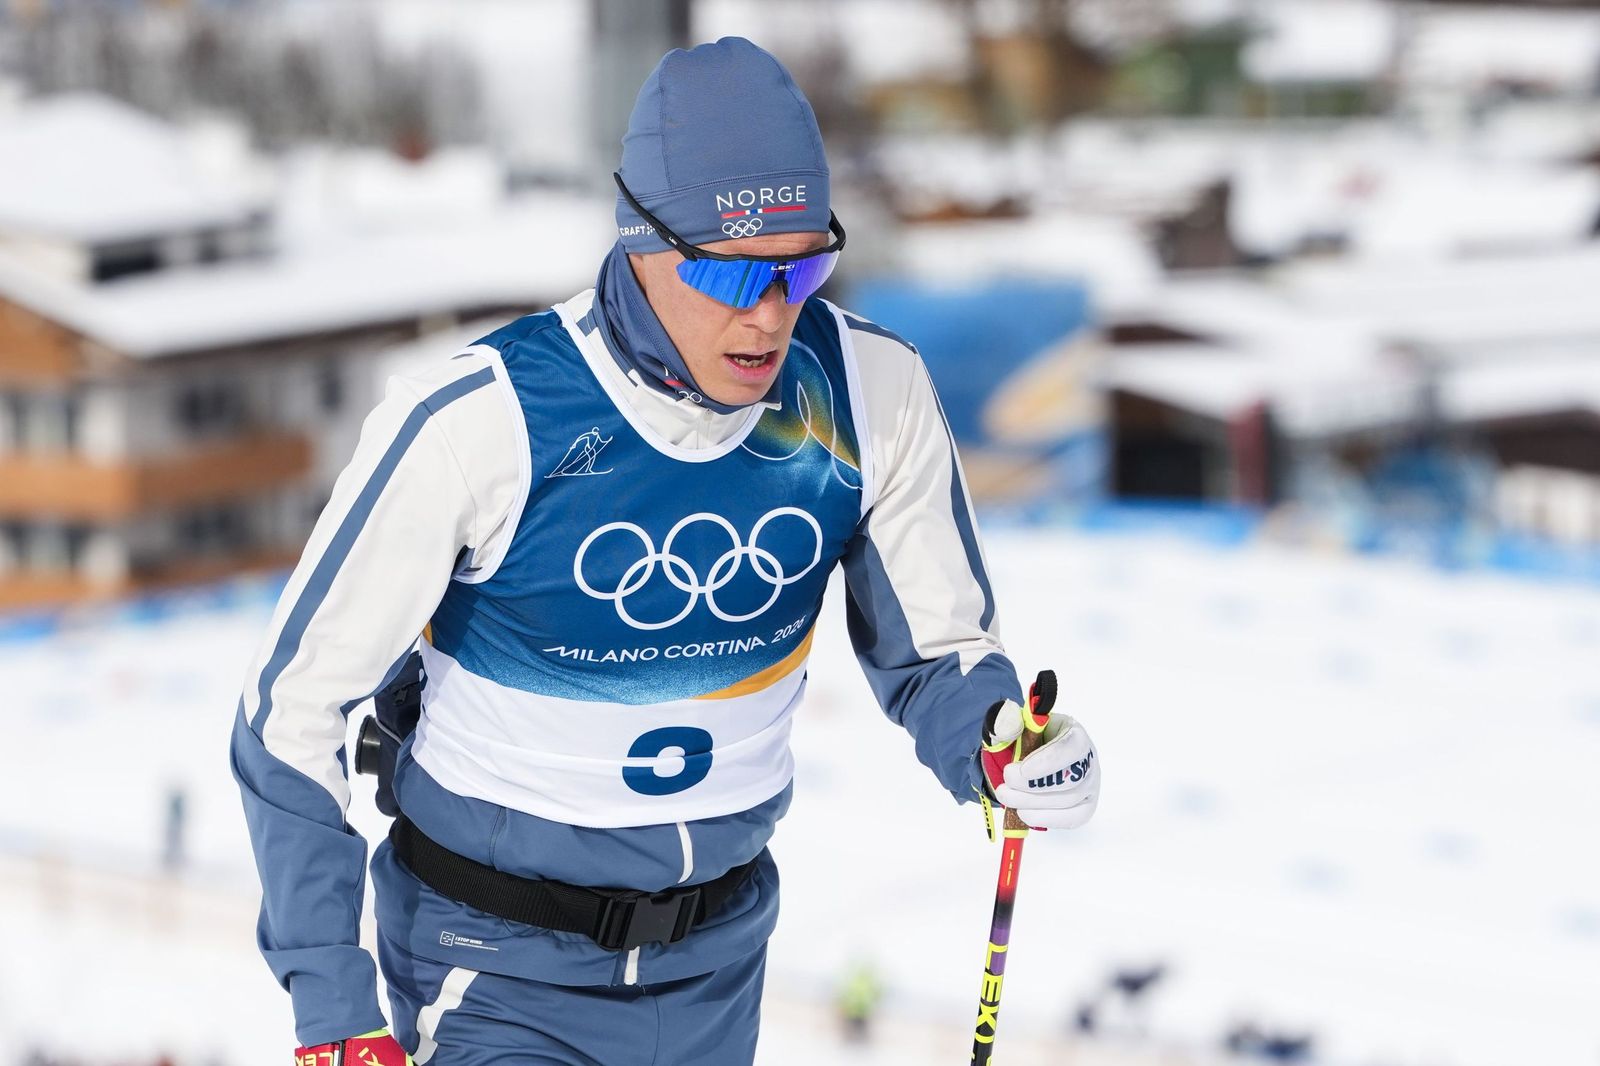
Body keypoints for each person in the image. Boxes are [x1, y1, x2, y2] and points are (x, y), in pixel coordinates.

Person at [232, 37, 1101, 1066]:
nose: (770, 313)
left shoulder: (869, 392)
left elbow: (937, 652)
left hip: (717, 968)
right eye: (732, 273)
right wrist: (334, 1008)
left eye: (800, 267)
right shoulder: (485, 419)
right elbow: (289, 711)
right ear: (641, 242)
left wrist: (999, 739)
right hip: (493, 966)